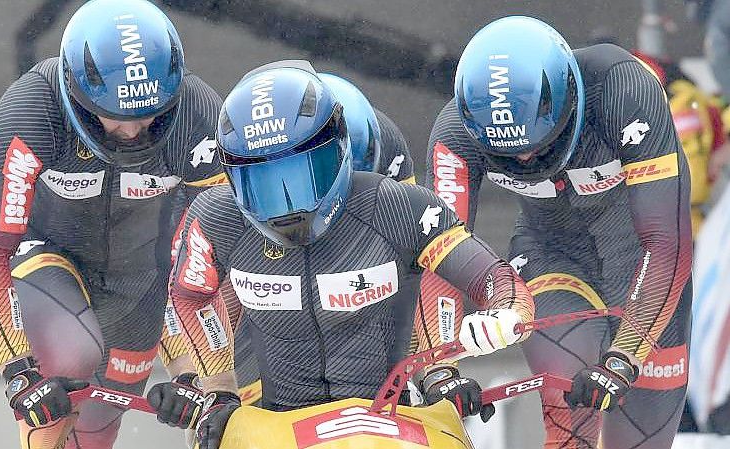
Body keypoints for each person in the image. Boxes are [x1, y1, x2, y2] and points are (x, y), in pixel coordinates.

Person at [145, 60, 535, 449]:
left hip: (388, 418)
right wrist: (217, 390)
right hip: (278, 425)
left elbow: (492, 277)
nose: (286, 203)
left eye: (302, 173)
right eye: (262, 181)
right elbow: (188, 295)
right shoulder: (217, 217)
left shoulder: (397, 206)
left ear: (337, 147)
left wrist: (503, 316)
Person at [0, 1, 225, 448]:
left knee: (96, 433)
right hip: (45, 256)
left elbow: (206, 259)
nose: (135, 132)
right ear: (76, 95)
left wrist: (199, 377)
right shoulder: (32, 110)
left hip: (142, 285)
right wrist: (18, 371)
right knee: (68, 360)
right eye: (117, 116)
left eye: (152, 113)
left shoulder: (199, 118)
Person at [424, 16, 693, 449]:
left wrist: (623, 360)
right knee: (569, 407)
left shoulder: (624, 90)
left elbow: (666, 242)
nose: (528, 159)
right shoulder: (454, 134)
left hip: (643, 260)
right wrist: (439, 367)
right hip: (552, 253)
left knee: (641, 437)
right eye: (510, 155)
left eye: (539, 143)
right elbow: (439, 250)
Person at [211, 71, 417, 405]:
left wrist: (434, 368)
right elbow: (213, 283)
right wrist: (212, 388)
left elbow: (416, 261)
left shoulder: (388, 156)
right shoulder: (246, 171)